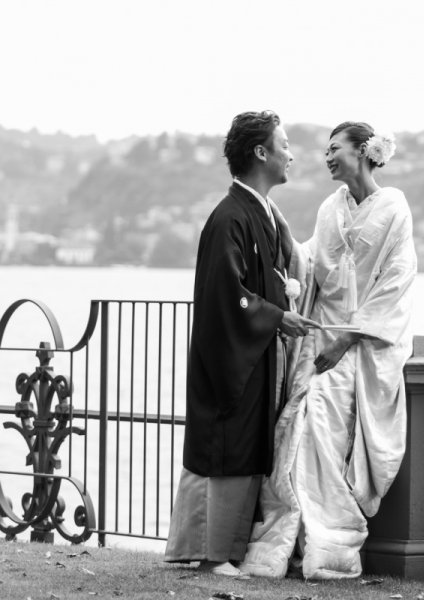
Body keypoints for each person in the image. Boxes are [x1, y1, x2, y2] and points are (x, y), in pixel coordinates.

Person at [240, 122, 417, 579]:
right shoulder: (329, 208)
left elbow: (395, 283)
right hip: (320, 338)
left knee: (319, 412)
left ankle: (331, 538)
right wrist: (277, 231)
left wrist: (347, 338)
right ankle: (295, 535)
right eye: (326, 149)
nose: (327, 156)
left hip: (360, 344)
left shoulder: (395, 209)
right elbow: (310, 261)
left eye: (335, 148)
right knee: (294, 421)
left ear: (364, 152)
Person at [164, 110, 309, 576]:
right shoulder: (230, 217)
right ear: (261, 152)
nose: (291, 153)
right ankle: (211, 555)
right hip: (230, 358)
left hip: (252, 353)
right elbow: (227, 296)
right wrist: (276, 315)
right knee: (226, 447)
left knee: (242, 448)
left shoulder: (259, 214)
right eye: (284, 144)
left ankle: (221, 551)